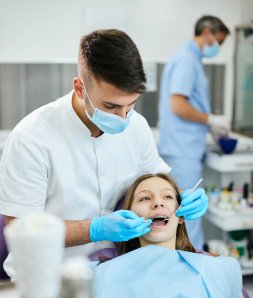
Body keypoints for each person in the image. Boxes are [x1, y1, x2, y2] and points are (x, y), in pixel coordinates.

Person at [0, 29, 208, 260]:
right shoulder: (31, 138)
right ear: (80, 88)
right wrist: (94, 229)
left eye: (131, 105)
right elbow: (21, 232)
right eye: (110, 107)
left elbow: (156, 184)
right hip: (51, 274)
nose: (123, 117)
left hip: (116, 268)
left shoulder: (137, 127)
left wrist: (181, 196)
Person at [93, 173, 253, 298]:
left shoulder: (215, 268)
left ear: (182, 215)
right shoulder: (105, 271)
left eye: (168, 197)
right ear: (127, 215)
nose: (158, 203)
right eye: (144, 198)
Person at [158, 16, 230, 250]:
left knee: (185, 212)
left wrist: (209, 125)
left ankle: (191, 261)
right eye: (218, 41)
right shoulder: (187, 60)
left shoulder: (190, 58)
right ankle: (194, 264)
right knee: (189, 214)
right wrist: (211, 119)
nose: (217, 47)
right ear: (207, 33)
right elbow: (178, 105)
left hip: (183, 147)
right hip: (182, 150)